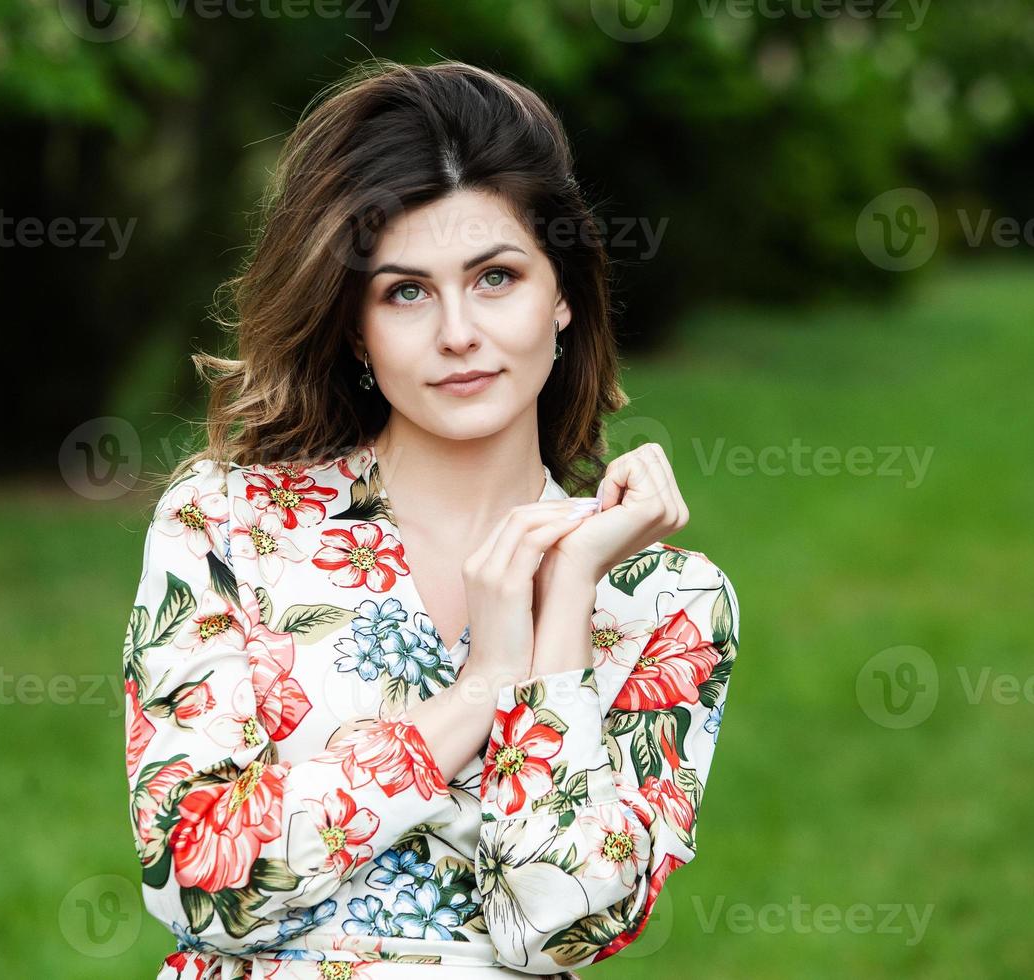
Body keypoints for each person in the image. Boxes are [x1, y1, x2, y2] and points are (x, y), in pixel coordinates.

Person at [121, 59, 740, 980]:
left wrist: (563, 605)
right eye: (406, 291)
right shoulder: (230, 525)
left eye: (496, 277)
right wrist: (482, 685)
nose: (458, 331)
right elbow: (197, 880)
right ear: (355, 327)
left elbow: (557, 930)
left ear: (562, 293)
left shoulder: (667, 602)